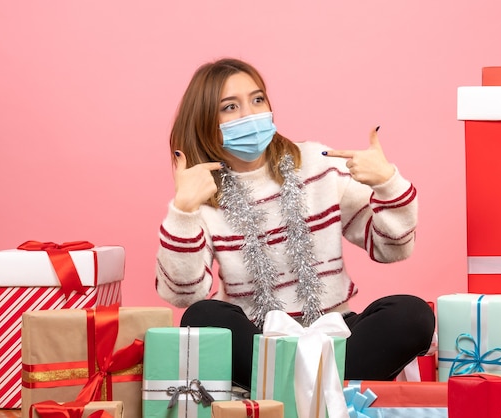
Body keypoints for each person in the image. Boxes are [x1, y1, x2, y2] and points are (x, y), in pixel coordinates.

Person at [155, 57, 435, 390]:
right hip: (258, 340)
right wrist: (183, 211)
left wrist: (387, 182)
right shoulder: (202, 191)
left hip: (337, 333)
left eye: (258, 100)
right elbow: (185, 294)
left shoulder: (317, 163)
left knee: (412, 314)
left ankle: (287, 392)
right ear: (205, 121)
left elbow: (393, 249)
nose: (250, 114)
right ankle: (325, 391)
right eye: (230, 107)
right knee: (201, 318)